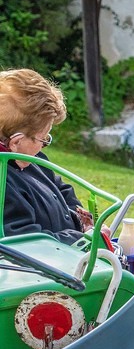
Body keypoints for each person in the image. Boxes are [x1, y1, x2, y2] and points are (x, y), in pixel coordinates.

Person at [0, 69, 99, 244]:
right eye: (43, 138)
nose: (45, 144)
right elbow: (24, 243)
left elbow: (61, 189)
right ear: (16, 142)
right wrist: (81, 238)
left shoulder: (32, 159)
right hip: (45, 260)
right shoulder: (4, 184)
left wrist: (84, 223)